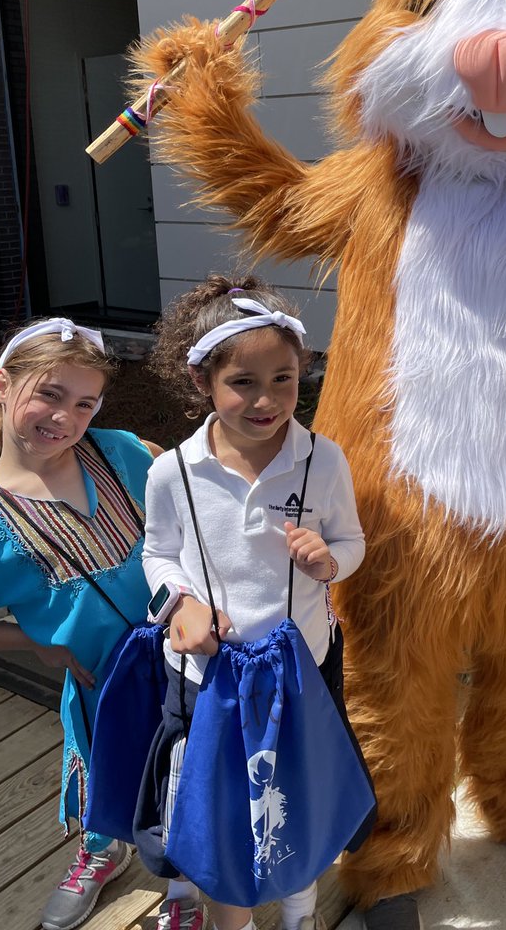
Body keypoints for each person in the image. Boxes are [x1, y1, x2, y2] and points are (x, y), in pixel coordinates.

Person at [135, 275, 366, 930]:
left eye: (284, 379)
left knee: (301, 793)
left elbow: (352, 540)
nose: (266, 400)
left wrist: (331, 561)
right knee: (219, 806)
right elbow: (154, 557)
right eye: (243, 382)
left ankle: (299, 910)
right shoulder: (172, 472)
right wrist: (178, 607)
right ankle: (218, 905)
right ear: (202, 381)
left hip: (302, 673)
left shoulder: (322, 460)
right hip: (208, 680)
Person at [0, 318, 159, 930]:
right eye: (49, 394)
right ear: (1, 385)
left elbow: (190, 512)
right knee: (105, 761)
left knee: (183, 764)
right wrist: (36, 643)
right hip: (96, 681)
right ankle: (101, 851)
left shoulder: (121, 452)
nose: (66, 416)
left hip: (181, 654)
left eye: (85, 403)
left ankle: (187, 886)